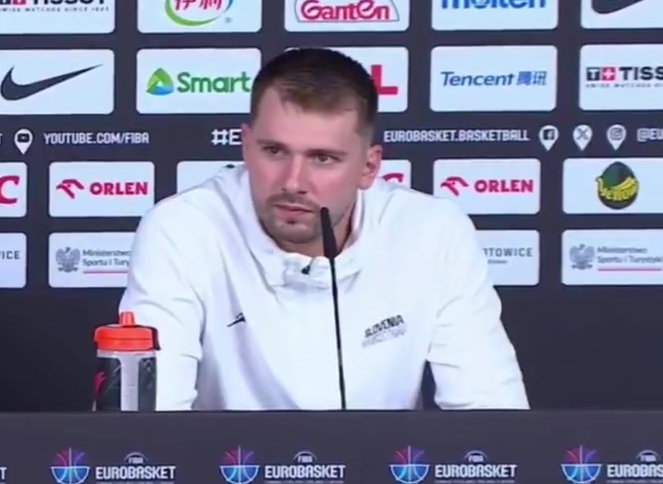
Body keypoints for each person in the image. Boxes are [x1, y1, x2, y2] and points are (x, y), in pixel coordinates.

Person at [119, 47, 530, 411]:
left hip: (384, 474)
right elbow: (148, 424)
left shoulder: (433, 232)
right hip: (227, 471)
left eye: (323, 159)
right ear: (245, 146)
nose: (293, 181)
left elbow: (493, 412)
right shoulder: (183, 228)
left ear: (368, 167)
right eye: (274, 151)